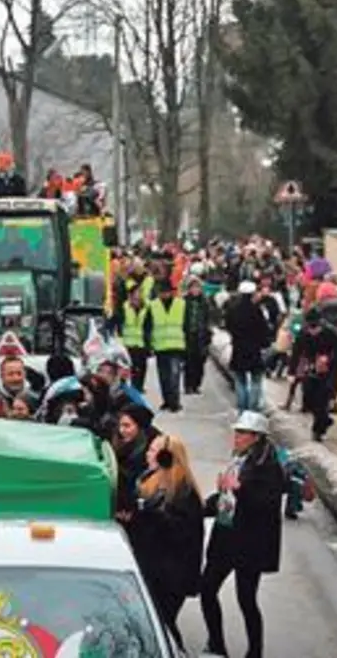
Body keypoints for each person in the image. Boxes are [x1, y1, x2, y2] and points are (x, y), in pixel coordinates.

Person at [199, 411, 286, 658]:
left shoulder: (267, 466)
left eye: (242, 433)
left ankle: (254, 652)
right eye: (236, 432)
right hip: (226, 537)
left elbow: (266, 505)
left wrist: (240, 491)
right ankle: (216, 643)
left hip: (249, 544)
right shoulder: (240, 458)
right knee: (207, 589)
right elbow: (227, 495)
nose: (236, 437)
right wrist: (205, 506)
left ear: (256, 437)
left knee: (246, 599)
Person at [129, 432, 204, 651]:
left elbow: (180, 534)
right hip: (153, 569)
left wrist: (152, 515)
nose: (148, 454)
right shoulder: (151, 480)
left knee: (164, 626)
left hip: (171, 578)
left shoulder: (183, 492)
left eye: (154, 450)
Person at [291, 308, 337, 441]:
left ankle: (317, 431)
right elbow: (297, 351)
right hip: (310, 369)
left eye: (316, 328)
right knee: (309, 399)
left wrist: (328, 359)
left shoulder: (330, 333)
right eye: (310, 327)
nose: (313, 331)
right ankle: (325, 420)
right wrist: (293, 371)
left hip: (328, 372)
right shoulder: (303, 333)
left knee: (322, 401)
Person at [226, 281, 272, 412]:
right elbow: (264, 330)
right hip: (254, 351)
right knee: (256, 380)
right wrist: (265, 344)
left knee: (240, 380)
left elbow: (228, 326)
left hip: (238, 349)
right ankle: (253, 407)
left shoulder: (233, 310)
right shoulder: (257, 311)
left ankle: (242, 407)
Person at [149, 276, 189, 408]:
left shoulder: (181, 304)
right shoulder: (153, 305)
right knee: (163, 377)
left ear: (172, 292)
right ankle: (166, 400)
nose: (164, 294)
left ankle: (175, 402)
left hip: (176, 346)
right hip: (160, 346)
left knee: (174, 375)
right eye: (162, 292)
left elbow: (186, 325)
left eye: (166, 291)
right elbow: (148, 326)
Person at [183, 276, 212, 394]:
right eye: (193, 287)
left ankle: (196, 384)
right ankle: (188, 385)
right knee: (189, 362)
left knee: (200, 362)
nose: (195, 290)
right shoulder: (184, 302)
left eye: (197, 287)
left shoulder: (205, 302)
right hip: (188, 335)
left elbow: (208, 319)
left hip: (201, 336)